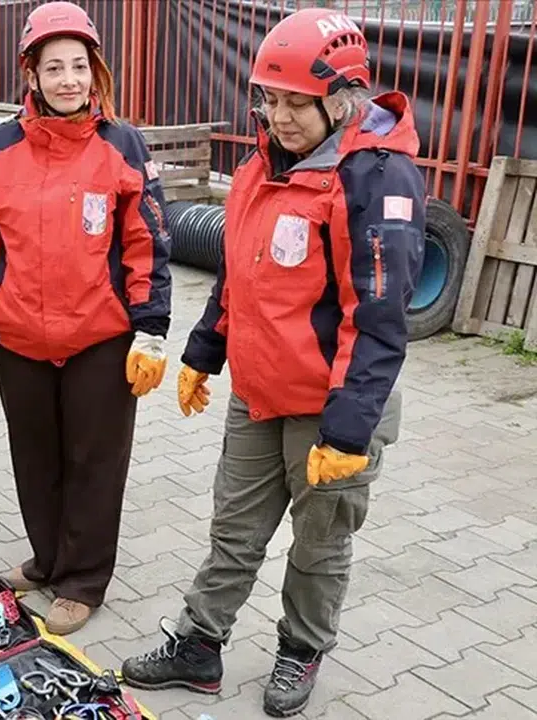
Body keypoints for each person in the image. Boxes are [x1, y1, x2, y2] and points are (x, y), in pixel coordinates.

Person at [118, 8, 424, 717]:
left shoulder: (377, 180)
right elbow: (239, 273)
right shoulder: (263, 166)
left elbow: (378, 321)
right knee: (235, 531)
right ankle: (199, 644)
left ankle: (301, 649)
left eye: (295, 103)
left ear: (341, 98)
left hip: (331, 409)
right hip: (258, 396)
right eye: (270, 99)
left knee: (319, 545)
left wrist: (349, 433)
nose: (278, 117)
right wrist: (203, 353)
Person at [0, 1, 172, 636]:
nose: (68, 79)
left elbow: (149, 244)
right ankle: (48, 561)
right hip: (19, 337)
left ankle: (83, 578)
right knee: (36, 457)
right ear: (33, 74)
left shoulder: (121, 145)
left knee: (94, 462)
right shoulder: (0, 147)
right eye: (55, 67)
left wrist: (151, 330)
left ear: (95, 71)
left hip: (100, 340)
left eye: (79, 65)